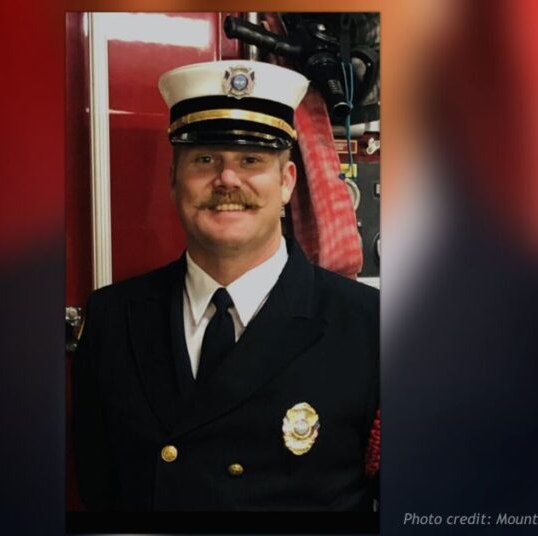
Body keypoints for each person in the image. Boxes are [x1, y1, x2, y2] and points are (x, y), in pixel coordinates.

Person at [70, 60, 380, 512]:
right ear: (174, 180)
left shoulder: (370, 327)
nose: (227, 179)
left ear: (287, 181)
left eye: (251, 160)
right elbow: (99, 489)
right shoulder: (112, 318)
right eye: (204, 159)